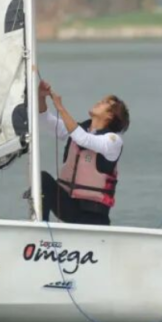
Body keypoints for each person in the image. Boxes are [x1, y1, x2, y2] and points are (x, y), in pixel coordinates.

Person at [36, 79, 130, 226]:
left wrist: (60, 107)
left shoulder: (113, 141)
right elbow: (44, 120)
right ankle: (41, 227)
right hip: (67, 206)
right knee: (42, 179)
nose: (98, 102)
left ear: (110, 116)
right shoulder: (77, 130)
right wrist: (41, 97)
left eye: (105, 103)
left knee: (77, 135)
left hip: (93, 215)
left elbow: (83, 139)